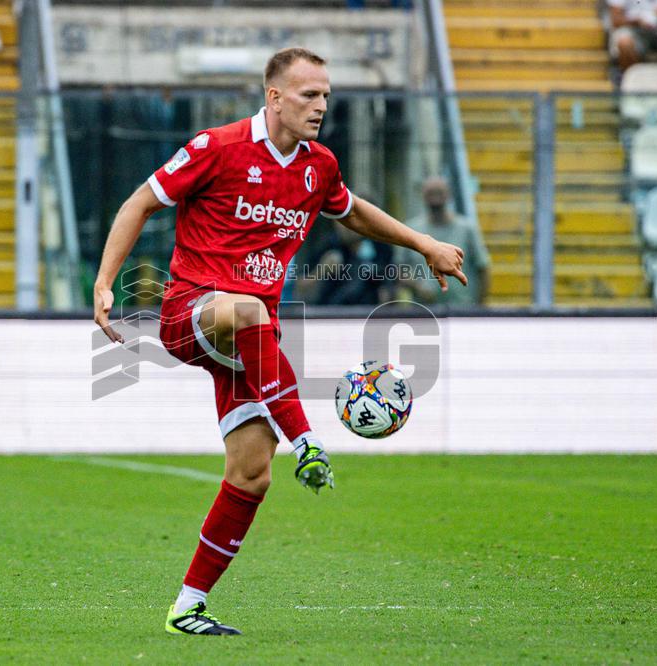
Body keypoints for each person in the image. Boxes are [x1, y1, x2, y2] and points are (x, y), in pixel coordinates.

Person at [92, 47, 467, 636]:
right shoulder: (216, 148)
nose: (321, 106)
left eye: (325, 95)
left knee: (251, 473)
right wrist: (105, 281)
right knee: (245, 308)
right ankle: (308, 439)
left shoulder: (319, 166)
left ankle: (187, 605)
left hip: (252, 338)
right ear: (274, 97)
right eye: (308, 95)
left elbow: (352, 212)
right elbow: (140, 201)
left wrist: (423, 243)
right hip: (194, 315)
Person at [396, 177, 490, 306]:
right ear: (423, 195)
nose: (435, 197)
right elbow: (399, 269)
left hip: (462, 309)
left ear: (449, 195)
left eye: (439, 192)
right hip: (424, 311)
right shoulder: (411, 230)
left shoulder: (467, 230)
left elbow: (483, 267)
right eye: (430, 192)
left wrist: (480, 306)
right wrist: (417, 287)